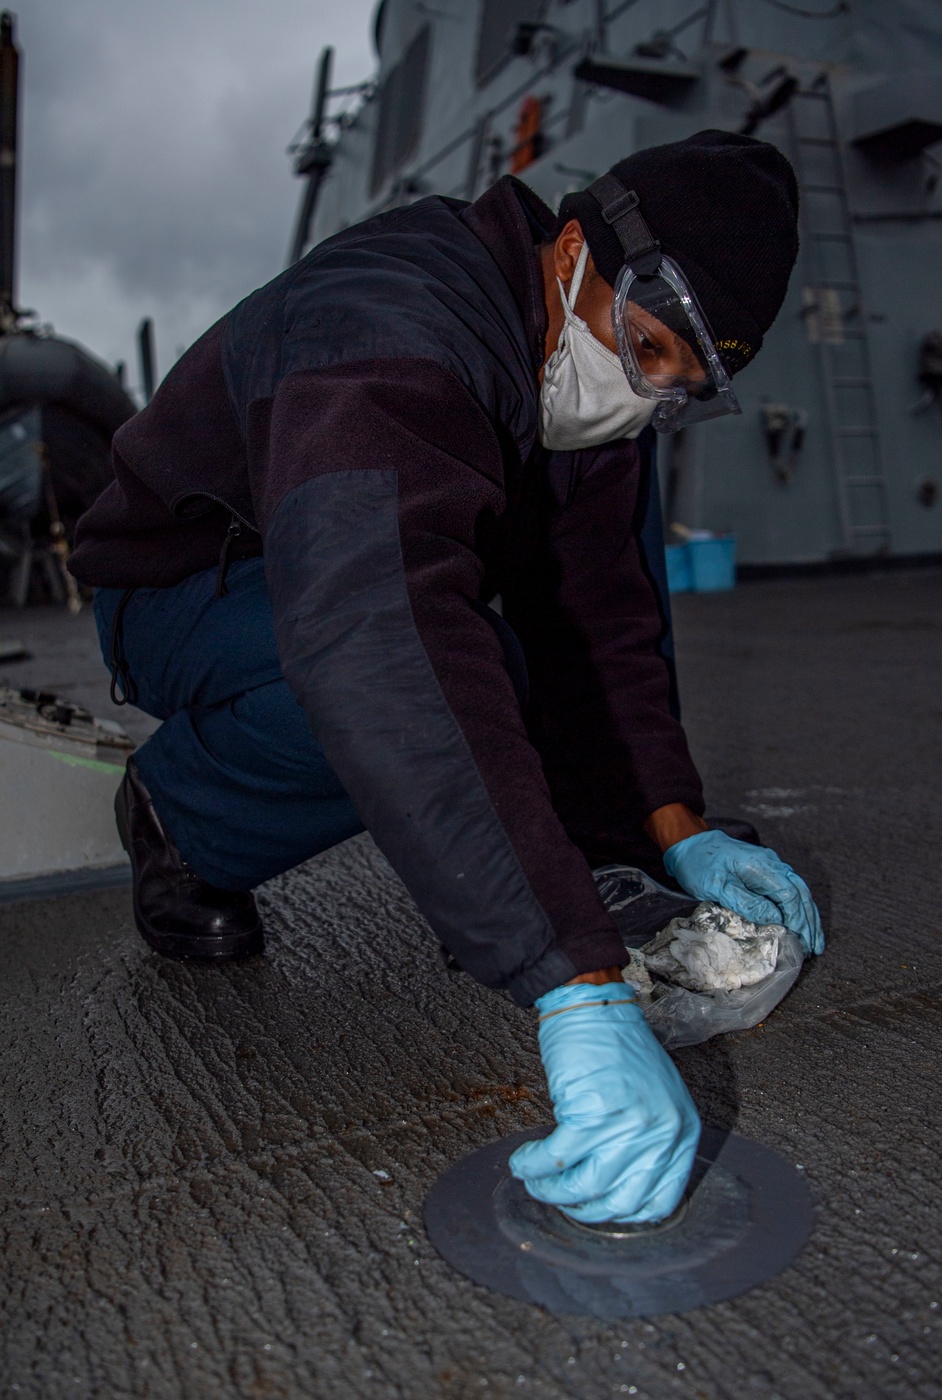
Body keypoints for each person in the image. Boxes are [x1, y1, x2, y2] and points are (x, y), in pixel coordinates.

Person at [69, 131, 823, 1226]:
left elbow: (606, 619)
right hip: (193, 589)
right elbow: (375, 630)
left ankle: (571, 858)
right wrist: (570, 983)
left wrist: (674, 827)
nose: (646, 389)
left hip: (327, 585)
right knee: (403, 669)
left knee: (521, 642)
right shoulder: (388, 324)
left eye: (683, 384)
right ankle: (180, 810)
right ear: (571, 250)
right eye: (648, 345)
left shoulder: (588, 374)